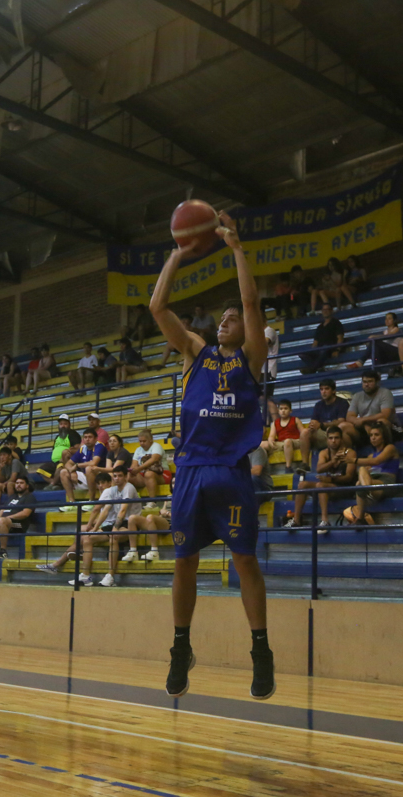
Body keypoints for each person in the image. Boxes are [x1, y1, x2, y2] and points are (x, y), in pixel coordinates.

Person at [148, 209, 274, 700]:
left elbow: (249, 300)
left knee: (245, 562)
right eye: (221, 318)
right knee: (184, 562)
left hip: (233, 472)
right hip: (193, 472)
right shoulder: (195, 352)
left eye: (233, 319)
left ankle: (260, 651)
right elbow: (158, 307)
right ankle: (181, 647)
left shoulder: (252, 358)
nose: (226, 319)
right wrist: (177, 255)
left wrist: (236, 247)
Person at [39, 468, 138, 587]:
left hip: (128, 523)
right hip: (112, 523)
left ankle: (110, 576)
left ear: (126, 476)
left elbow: (121, 510)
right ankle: (85, 576)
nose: (117, 478)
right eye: (115, 476)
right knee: (87, 538)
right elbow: (105, 511)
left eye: (120, 476)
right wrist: (95, 529)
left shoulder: (128, 488)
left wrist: (114, 527)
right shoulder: (112, 490)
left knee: (111, 536)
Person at [286, 427, 357, 532]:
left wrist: (331, 480)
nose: (333, 441)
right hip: (330, 486)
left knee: (321, 485)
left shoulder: (350, 453)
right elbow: (319, 469)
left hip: (345, 488)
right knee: (302, 485)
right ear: (327, 440)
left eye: (336, 438)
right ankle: (296, 520)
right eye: (331, 438)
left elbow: (349, 477)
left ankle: (325, 521)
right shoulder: (324, 453)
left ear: (341, 439)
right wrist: (333, 461)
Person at [343, 423, 399, 525]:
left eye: (376, 435)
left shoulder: (390, 448)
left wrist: (353, 460)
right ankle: (361, 518)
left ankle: (365, 493)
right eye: (371, 435)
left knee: (360, 482)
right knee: (361, 473)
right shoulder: (370, 455)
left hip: (386, 482)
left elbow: (376, 461)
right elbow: (366, 469)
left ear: (384, 437)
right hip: (372, 483)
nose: (373, 438)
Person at [300, 378, 349, 475]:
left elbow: (341, 421)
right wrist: (312, 425)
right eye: (321, 389)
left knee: (336, 429)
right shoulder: (318, 405)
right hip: (323, 435)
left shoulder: (342, 403)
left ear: (333, 390)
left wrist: (322, 425)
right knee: (304, 432)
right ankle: (305, 464)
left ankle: (341, 463)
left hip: (338, 434)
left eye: (326, 389)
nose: (324, 392)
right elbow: (314, 421)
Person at [340, 370, 400, 447]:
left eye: (370, 381)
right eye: (364, 382)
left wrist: (363, 420)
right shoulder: (357, 396)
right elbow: (349, 416)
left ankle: (384, 451)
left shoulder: (385, 393)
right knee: (343, 426)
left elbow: (385, 415)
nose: (366, 384)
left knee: (381, 422)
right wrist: (363, 424)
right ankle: (347, 455)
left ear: (377, 382)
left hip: (388, 429)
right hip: (365, 429)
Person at [58, 428, 105, 507]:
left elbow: (94, 463)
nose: (87, 439)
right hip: (86, 477)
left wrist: (77, 465)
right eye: (85, 437)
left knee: (89, 469)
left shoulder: (99, 446)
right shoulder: (82, 449)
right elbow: (68, 464)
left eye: (90, 437)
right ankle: (71, 503)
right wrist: (72, 472)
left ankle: (91, 501)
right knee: (63, 472)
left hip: (100, 478)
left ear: (96, 438)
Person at [298, 303, 344, 374]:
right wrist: (312, 351)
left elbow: (340, 338)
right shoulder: (320, 327)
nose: (325, 311)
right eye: (323, 310)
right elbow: (315, 342)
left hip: (330, 348)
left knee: (324, 348)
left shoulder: (336, 323)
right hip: (319, 349)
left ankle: (312, 369)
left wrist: (337, 350)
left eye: (327, 309)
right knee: (301, 353)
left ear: (331, 311)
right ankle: (317, 367)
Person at [87, 433, 133, 499]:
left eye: (114, 441)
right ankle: (95, 499)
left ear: (119, 443)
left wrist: (98, 469)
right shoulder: (110, 452)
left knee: (111, 476)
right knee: (94, 472)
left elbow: (115, 469)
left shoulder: (123, 452)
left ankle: (110, 499)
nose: (112, 443)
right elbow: (108, 468)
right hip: (114, 473)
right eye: (110, 441)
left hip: (125, 475)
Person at [260, 400, 301, 471]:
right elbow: (272, 436)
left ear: (290, 411)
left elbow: (303, 433)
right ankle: (263, 467)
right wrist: (270, 441)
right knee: (262, 444)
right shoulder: (275, 423)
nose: (283, 411)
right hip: (281, 443)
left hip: (295, 441)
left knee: (287, 441)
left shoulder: (295, 420)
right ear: (278, 411)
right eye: (281, 409)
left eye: (286, 408)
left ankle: (288, 467)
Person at [129, 428, 166, 506]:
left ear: (150, 440)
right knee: (128, 476)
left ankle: (152, 501)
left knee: (149, 474)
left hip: (162, 474)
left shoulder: (156, 446)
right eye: (140, 441)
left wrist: (139, 468)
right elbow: (134, 465)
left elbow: (154, 459)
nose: (142, 443)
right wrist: (132, 471)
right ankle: (130, 502)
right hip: (144, 476)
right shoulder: (138, 450)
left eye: (144, 441)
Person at [46, 414, 81, 481]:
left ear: (69, 424)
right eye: (61, 424)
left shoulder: (73, 434)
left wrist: (66, 455)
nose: (63, 426)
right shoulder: (57, 437)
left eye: (65, 424)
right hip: (54, 462)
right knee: (40, 470)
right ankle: (56, 483)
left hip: (66, 461)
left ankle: (53, 484)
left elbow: (77, 449)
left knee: (60, 467)